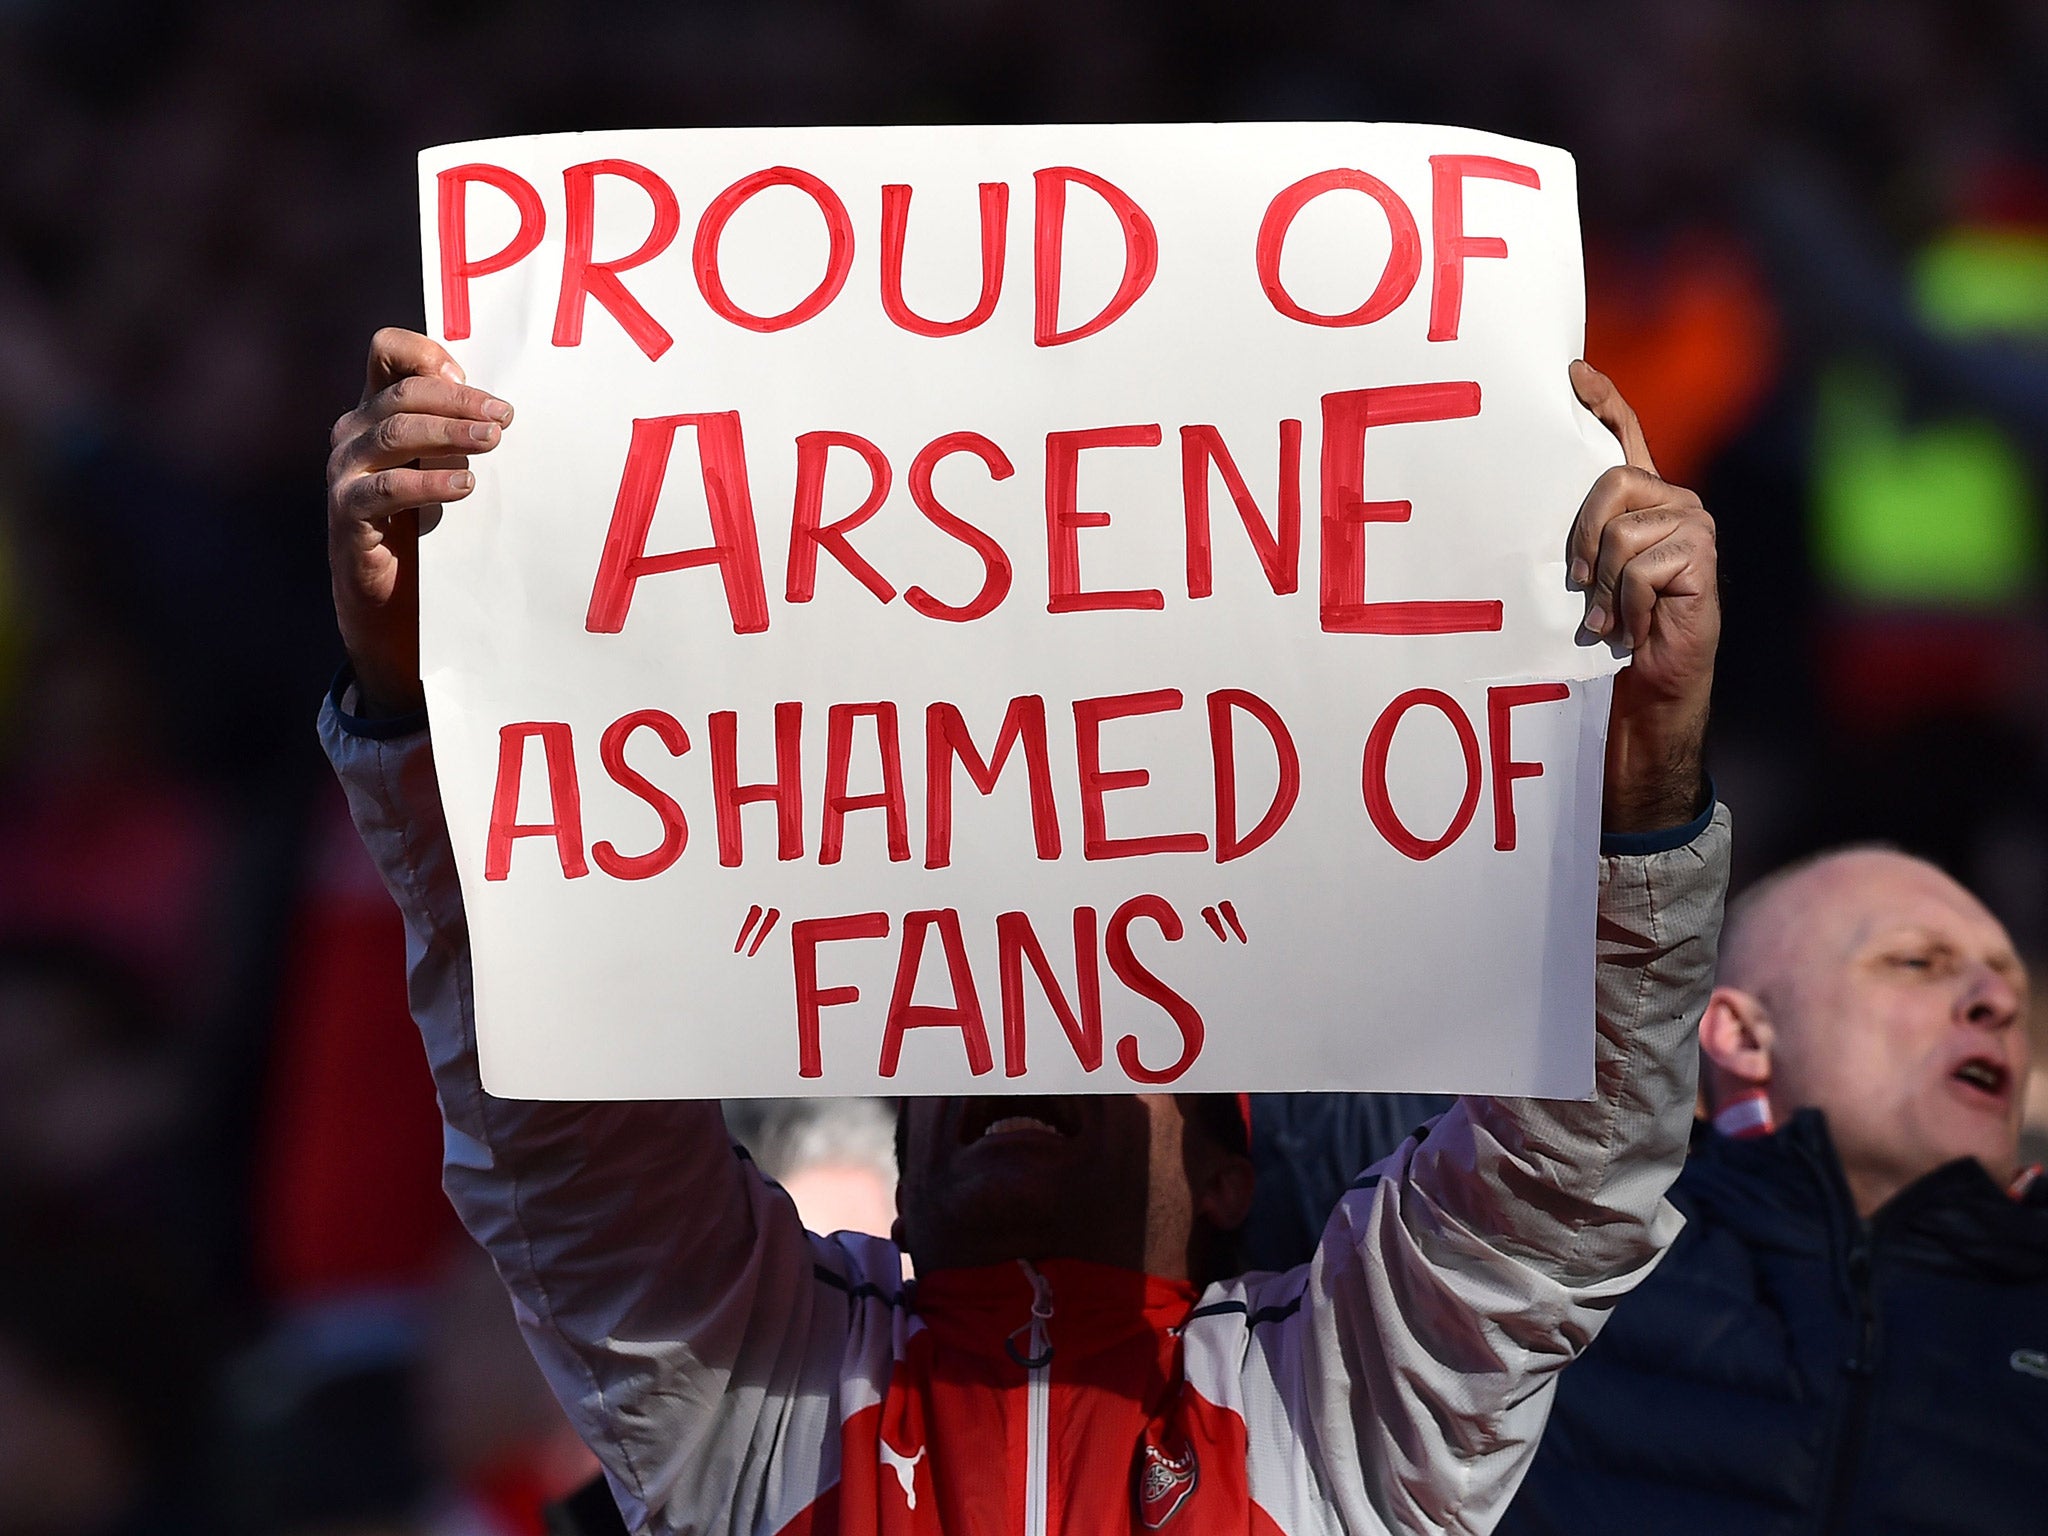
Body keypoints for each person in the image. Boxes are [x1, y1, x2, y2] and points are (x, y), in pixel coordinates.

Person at [323, 326, 1726, 1535]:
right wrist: (418, 696)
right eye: (968, 1011)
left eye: (1111, 1016)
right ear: (899, 1163)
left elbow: (1571, 1175)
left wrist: (1647, 773)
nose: (1027, 1025)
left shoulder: (1347, 1410)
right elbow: (555, 1125)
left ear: (1233, 1173)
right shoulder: (752, 1393)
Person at [1496, 847, 2048, 1536]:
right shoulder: (1543, 1235)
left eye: (2015, 994)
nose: (1997, 1004)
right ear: (1744, 1035)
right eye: (1917, 963)